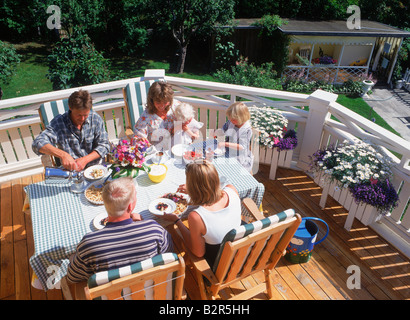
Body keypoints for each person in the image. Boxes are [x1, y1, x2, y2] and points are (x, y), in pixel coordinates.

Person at [66, 177, 174, 284]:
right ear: (130, 206)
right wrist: (143, 224)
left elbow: (72, 278)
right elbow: (169, 255)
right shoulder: (154, 230)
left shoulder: (88, 245)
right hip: (153, 291)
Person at [163, 160, 241, 267]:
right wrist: (193, 190)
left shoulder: (196, 217)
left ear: (194, 188)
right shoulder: (231, 190)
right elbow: (213, 201)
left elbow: (198, 253)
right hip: (242, 254)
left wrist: (177, 221)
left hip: (220, 265)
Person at [32, 90, 110, 171]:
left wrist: (85, 160)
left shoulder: (95, 118)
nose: (82, 119)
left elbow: (105, 145)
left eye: (85, 115)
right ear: (70, 107)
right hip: (71, 172)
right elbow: (37, 143)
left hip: (95, 169)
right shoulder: (59, 123)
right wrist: (63, 155)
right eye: (78, 115)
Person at [134, 81, 180, 150]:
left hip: (176, 147)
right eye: (158, 102)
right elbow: (139, 136)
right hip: (157, 152)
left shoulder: (176, 106)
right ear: (152, 100)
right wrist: (142, 141)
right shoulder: (146, 116)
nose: (162, 106)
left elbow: (188, 120)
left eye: (165, 102)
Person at [217, 102, 254, 172]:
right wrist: (218, 132)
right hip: (227, 150)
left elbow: (241, 146)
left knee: (224, 169)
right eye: (230, 118)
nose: (230, 120)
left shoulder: (246, 130)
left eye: (233, 119)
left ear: (241, 118)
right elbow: (223, 130)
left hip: (239, 156)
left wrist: (225, 144)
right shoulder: (231, 122)